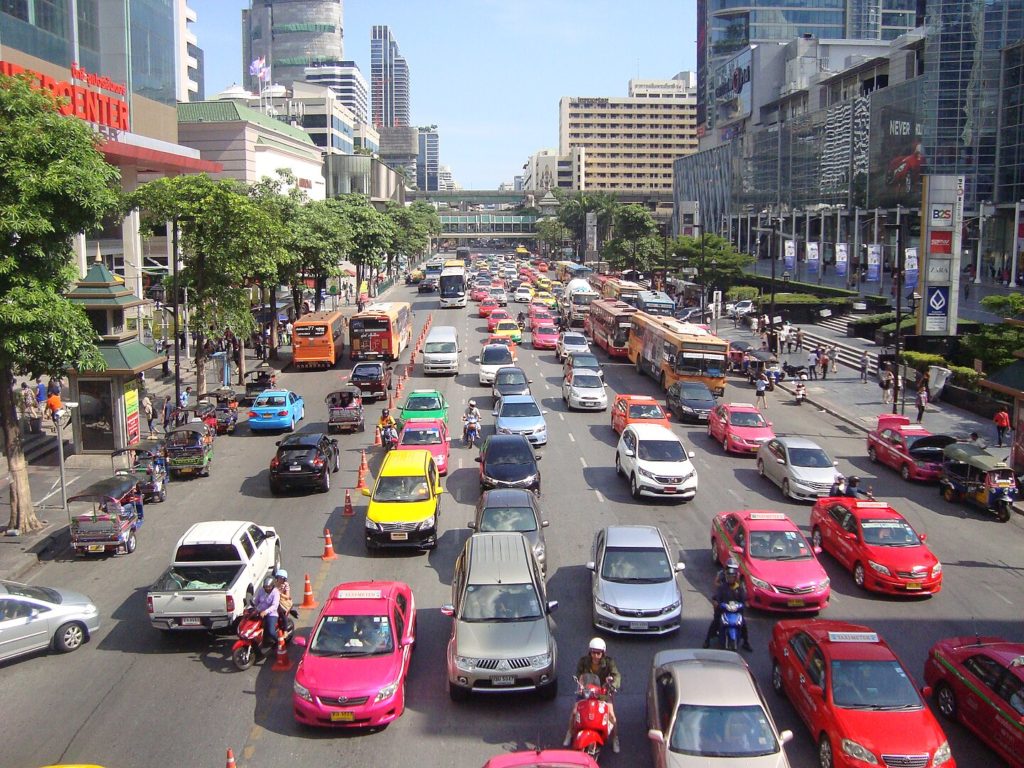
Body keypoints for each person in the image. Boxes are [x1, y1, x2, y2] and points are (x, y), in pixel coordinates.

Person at [564, 637, 622, 752]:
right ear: (590, 652)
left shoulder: (609, 662)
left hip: (603, 693)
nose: (595, 656)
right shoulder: (584, 661)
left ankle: (615, 738)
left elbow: (617, 676)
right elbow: (579, 674)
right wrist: (580, 683)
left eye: (598, 653)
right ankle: (570, 732)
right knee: (575, 712)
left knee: (611, 716)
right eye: (593, 652)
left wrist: (612, 685)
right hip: (586, 692)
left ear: (603, 653)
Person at [703, 558, 751, 651]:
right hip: (723, 608)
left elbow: (744, 597)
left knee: (743, 624)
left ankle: (746, 642)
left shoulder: (739, 587)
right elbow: (717, 595)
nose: (731, 576)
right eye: (729, 575)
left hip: (736, 609)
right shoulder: (722, 585)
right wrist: (717, 603)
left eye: (733, 575)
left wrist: (745, 603)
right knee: (716, 621)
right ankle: (707, 640)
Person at [253, 576, 280, 646]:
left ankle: (278, 641)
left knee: (271, 631)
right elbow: (256, 601)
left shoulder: (276, 592)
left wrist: (266, 612)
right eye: (265, 587)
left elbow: (275, 606)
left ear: (272, 586)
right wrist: (253, 607)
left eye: (268, 587)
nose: (267, 589)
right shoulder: (261, 590)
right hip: (260, 612)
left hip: (271, 614)